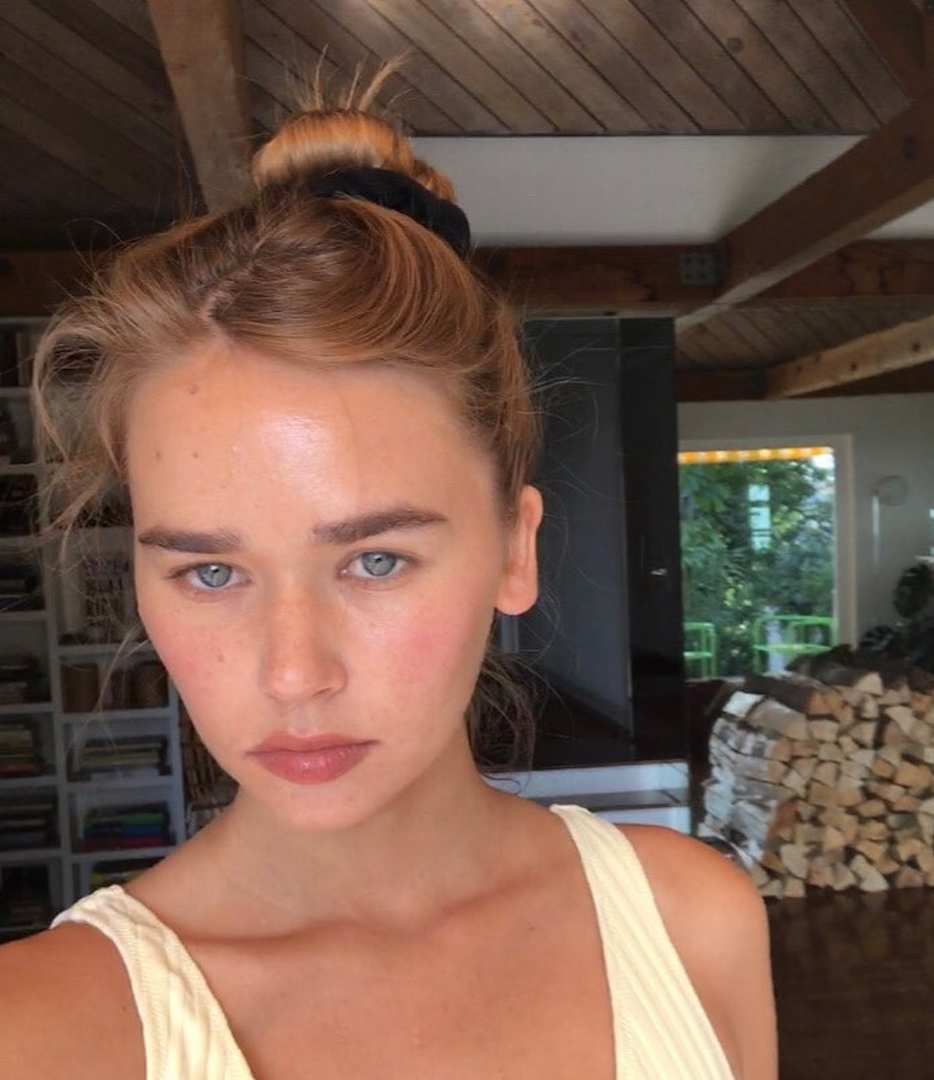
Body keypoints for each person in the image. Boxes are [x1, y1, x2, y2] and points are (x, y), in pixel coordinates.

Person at [0, 71, 777, 1080]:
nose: (293, 674)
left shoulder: (695, 920)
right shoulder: (40, 1032)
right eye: (210, 572)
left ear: (514, 550)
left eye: (374, 560)